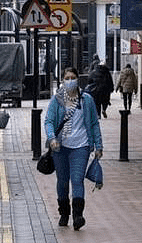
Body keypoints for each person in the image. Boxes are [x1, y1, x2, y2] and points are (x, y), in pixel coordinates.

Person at [44, 66, 103, 231]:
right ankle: (64, 212)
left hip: (81, 146)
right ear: (62, 81)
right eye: (67, 78)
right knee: (62, 181)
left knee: (77, 180)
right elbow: (48, 121)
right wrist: (52, 138)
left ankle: (78, 216)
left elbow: (93, 123)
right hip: (60, 147)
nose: (70, 81)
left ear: (77, 79)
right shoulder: (57, 100)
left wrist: (98, 145)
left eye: (72, 77)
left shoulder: (87, 100)